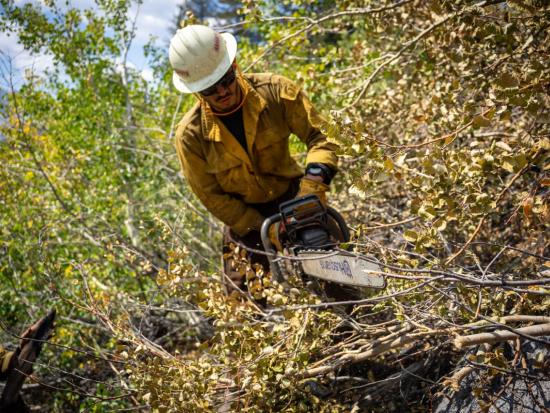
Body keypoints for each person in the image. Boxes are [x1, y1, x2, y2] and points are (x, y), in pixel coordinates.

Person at [170, 25, 338, 292]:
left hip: (293, 195)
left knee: (330, 267)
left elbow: (322, 136)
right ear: (196, 91)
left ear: (234, 65)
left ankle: (347, 321)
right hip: (245, 217)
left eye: (226, 80)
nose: (222, 92)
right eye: (211, 89)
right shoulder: (190, 136)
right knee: (242, 301)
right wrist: (263, 227)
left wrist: (312, 188)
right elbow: (211, 196)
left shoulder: (275, 91)